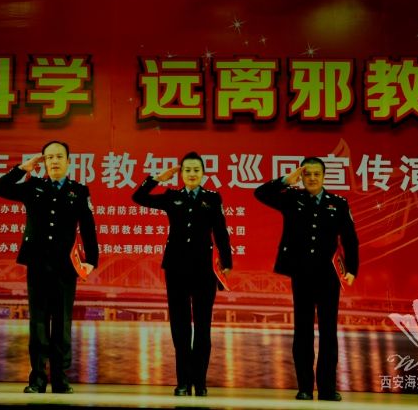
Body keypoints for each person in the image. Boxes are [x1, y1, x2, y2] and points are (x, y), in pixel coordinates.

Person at [0, 141, 99, 394]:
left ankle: (60, 379)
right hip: (38, 262)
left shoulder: (78, 191)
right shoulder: (34, 186)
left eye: (59, 157)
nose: (54, 161)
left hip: (66, 265)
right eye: (49, 157)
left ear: (68, 161)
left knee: (62, 324)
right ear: (44, 161)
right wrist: (22, 169)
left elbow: (88, 227)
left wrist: (91, 260)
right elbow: (0, 188)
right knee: (38, 323)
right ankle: (38, 379)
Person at [254, 157, 359, 402]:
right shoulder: (292, 198)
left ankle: (327, 388)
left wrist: (352, 269)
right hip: (301, 273)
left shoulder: (338, 203)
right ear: (301, 176)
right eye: (307, 174)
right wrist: (284, 180)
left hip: (329, 276)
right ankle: (304, 387)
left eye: (316, 174)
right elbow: (260, 194)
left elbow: (350, 238)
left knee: (328, 333)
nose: (312, 178)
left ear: (324, 176)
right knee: (302, 332)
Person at [131, 152, 232, 397]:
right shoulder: (172, 197)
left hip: (204, 270)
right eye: (187, 170)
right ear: (181, 174)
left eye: (196, 170)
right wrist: (157, 178)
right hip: (176, 268)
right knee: (180, 327)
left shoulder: (212, 198)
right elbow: (139, 197)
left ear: (203, 173)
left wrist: (227, 261)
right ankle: (183, 382)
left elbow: (220, 231)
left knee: (203, 327)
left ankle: (200, 382)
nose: (192, 174)